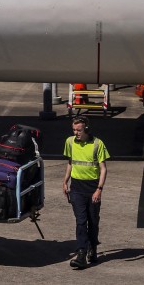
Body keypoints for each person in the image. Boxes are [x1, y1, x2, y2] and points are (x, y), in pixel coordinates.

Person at [62, 115, 110, 269]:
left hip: (92, 188)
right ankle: (81, 253)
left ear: (86, 129)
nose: (76, 133)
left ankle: (93, 247)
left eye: (79, 130)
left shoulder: (98, 144)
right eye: (74, 130)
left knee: (93, 221)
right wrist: (65, 180)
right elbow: (71, 162)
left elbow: (103, 169)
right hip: (76, 188)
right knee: (81, 221)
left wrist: (99, 190)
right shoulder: (69, 142)